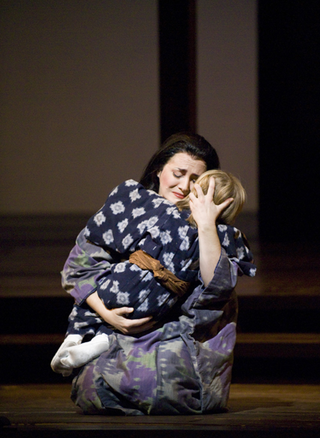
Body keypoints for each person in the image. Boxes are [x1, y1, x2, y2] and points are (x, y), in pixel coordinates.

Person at [53, 132, 256, 415]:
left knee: (163, 382)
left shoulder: (216, 232)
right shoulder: (131, 205)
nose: (184, 186)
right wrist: (110, 315)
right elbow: (81, 265)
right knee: (96, 383)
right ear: (159, 169)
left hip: (176, 336)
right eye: (178, 173)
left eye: (196, 180)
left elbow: (216, 289)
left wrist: (206, 225)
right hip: (115, 318)